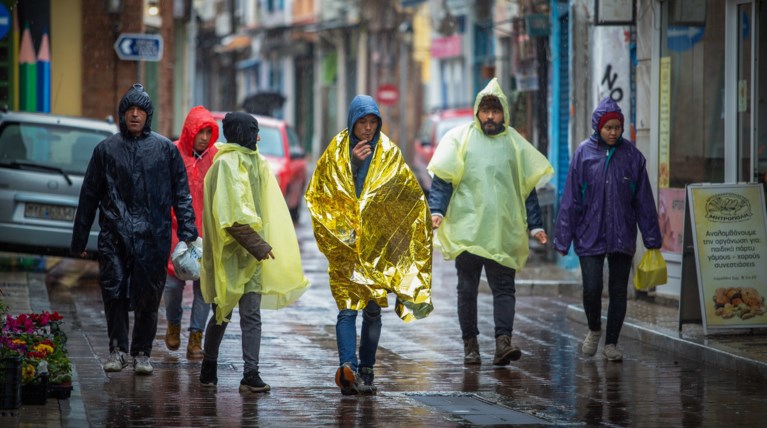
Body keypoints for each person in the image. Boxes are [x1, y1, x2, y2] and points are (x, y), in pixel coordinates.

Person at [305, 95, 433, 395]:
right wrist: (352, 165)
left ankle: (367, 369)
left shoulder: (388, 153)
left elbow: (406, 196)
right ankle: (348, 366)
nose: (367, 128)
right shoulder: (336, 151)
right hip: (347, 247)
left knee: (373, 310)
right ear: (352, 122)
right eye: (362, 122)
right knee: (348, 309)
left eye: (372, 122)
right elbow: (321, 194)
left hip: (377, 248)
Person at [71, 83, 198, 375]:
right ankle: (117, 350)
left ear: (148, 115)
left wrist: (188, 230)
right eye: (130, 110)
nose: (135, 115)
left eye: (141, 110)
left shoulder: (165, 150)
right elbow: (89, 195)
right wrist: (79, 239)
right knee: (113, 291)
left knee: (148, 296)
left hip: (153, 236)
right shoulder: (106, 150)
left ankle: (142, 352)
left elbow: (181, 193)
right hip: (114, 235)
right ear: (122, 114)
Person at [428, 77, 554, 366]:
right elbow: (443, 180)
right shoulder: (460, 140)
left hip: (502, 231)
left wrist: (536, 226)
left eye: (495, 111)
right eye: (485, 110)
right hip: (469, 231)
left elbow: (527, 188)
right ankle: (470, 345)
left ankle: (503, 342)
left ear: (503, 114)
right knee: (467, 289)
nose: (490, 116)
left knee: (505, 288)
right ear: (477, 112)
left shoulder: (516, 145)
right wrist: (437, 210)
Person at [199, 112, 309, 392]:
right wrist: (258, 244)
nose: (258, 137)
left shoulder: (256, 161)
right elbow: (230, 215)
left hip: (253, 254)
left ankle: (251, 374)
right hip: (228, 254)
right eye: (254, 131)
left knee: (251, 315)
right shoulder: (224, 164)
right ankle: (208, 363)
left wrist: (261, 244)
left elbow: (263, 208)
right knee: (222, 313)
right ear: (240, 132)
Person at [553, 97, 662, 362]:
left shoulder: (633, 158)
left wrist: (651, 237)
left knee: (618, 291)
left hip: (622, 233)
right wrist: (562, 238)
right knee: (591, 288)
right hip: (589, 232)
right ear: (598, 127)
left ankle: (611, 343)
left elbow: (644, 201)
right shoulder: (583, 154)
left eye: (617, 127)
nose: (613, 132)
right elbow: (571, 200)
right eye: (608, 127)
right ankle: (594, 329)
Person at [163, 106, 219, 359]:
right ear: (189, 131)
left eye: (209, 131)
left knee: (203, 288)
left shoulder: (216, 158)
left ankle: (195, 338)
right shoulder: (172, 153)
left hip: (206, 234)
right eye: (200, 131)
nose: (205, 137)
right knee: (173, 285)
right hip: (176, 233)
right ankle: (173, 323)